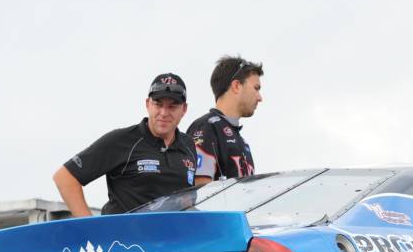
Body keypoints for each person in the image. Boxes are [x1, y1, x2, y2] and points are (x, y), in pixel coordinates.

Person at [53, 73, 197, 216]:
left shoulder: (189, 146)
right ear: (147, 104)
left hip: (174, 237)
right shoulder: (122, 140)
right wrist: (91, 229)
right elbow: (65, 177)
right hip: (125, 238)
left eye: (172, 107)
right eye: (158, 104)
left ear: (184, 109)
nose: (164, 113)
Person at [187, 56, 263, 185]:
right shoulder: (206, 127)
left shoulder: (241, 141)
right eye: (256, 88)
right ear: (236, 86)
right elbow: (199, 192)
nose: (260, 98)